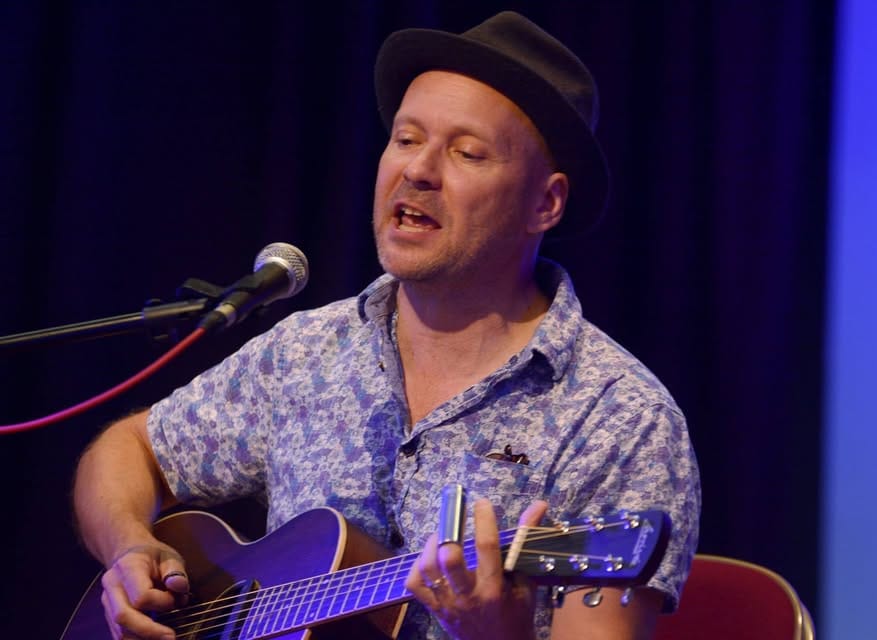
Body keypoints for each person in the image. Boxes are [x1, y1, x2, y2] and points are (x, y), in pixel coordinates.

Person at [72, 10, 700, 640]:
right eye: (405, 139)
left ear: (545, 202)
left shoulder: (623, 418)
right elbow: (128, 451)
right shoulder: (308, 350)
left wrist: (496, 634)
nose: (418, 170)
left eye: (467, 152)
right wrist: (129, 545)